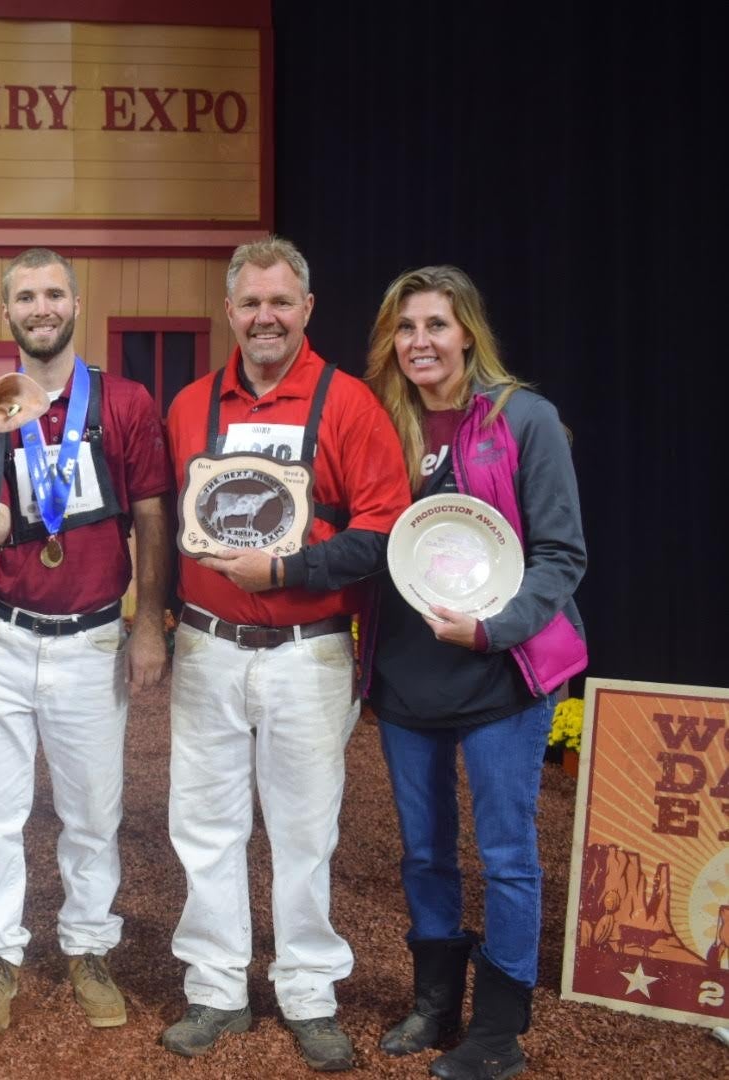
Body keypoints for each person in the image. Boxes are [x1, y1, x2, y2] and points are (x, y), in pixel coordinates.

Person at [161, 235, 410, 1071]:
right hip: (207, 645)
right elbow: (166, 526)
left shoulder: (348, 406)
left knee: (305, 830)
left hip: (307, 651)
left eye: (281, 302)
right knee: (204, 825)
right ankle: (216, 989)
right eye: (250, 303)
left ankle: (307, 990)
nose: (265, 316)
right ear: (229, 312)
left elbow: (383, 535)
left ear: (307, 309)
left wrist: (291, 567)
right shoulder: (190, 404)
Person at [0, 247, 173, 1036]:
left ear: (75, 304)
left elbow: (149, 516)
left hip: (91, 638)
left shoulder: (126, 402)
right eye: (25, 297)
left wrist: (148, 625)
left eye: (53, 294)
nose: (41, 308)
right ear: (6, 314)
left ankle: (87, 947)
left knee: (92, 812)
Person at [362, 266, 586, 1080]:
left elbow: (563, 555)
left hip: (504, 672)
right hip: (409, 672)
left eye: (436, 325)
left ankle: (498, 1029)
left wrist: (494, 628)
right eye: (405, 327)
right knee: (423, 851)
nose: (420, 341)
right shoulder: (380, 422)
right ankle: (433, 1003)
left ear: (467, 335)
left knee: (507, 853)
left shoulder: (525, 418)